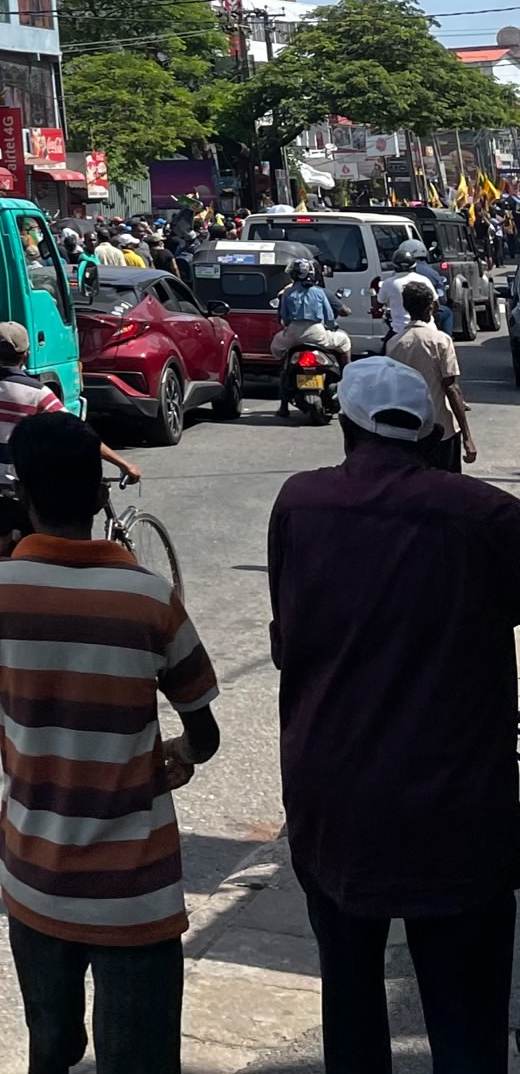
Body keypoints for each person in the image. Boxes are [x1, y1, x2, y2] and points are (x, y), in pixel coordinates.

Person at [0, 413, 220, 1074]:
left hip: (35, 876)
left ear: (23, 497)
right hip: (134, 891)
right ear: (101, 497)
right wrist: (179, 753)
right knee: (139, 1059)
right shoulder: (150, 599)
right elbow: (204, 733)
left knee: (52, 1046)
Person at [268, 354, 520, 1071]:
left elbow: (289, 643)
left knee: (350, 1008)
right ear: (430, 435)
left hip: (333, 800)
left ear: (346, 430)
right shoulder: (489, 518)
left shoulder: (299, 505)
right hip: (458, 805)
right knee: (467, 1020)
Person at [0, 324, 140, 568]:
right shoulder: (37, 392)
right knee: (38, 569)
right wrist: (123, 463)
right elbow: (78, 433)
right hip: (22, 497)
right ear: (26, 354)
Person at [386, 278, 472, 469]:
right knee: (446, 488)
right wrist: (467, 437)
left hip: (409, 430)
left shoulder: (394, 343)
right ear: (430, 308)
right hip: (442, 430)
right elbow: (451, 388)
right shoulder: (441, 341)